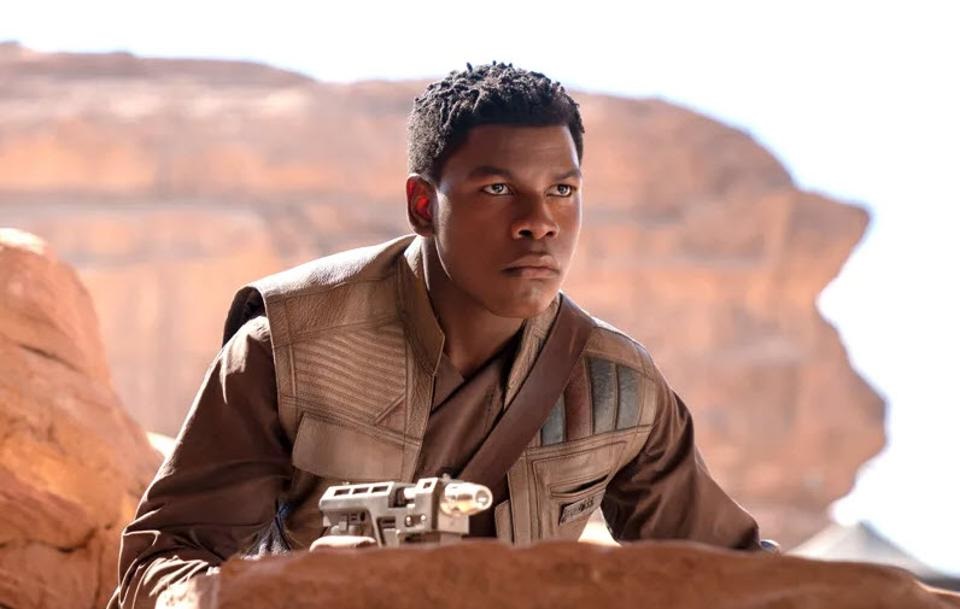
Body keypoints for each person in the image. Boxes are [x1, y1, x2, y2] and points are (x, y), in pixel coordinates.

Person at [108, 62, 763, 609]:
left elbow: (734, 577)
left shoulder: (617, 386)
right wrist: (273, 592)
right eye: (498, 188)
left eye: (562, 190)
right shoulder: (286, 348)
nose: (539, 221)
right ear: (424, 205)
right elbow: (160, 565)